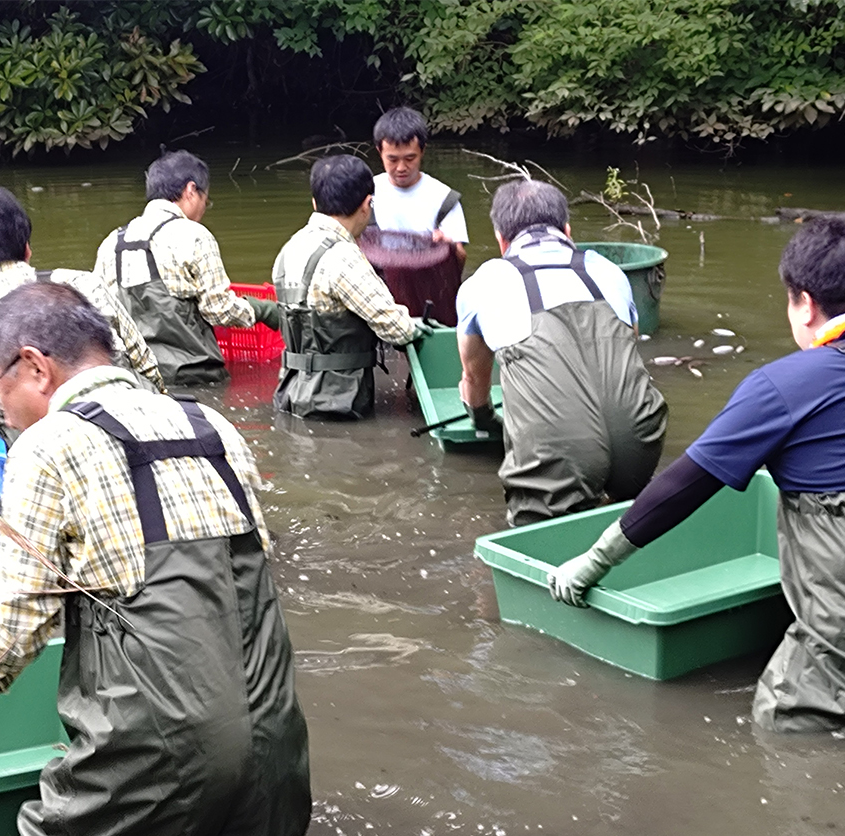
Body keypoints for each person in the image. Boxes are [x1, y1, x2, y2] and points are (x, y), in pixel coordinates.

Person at [0, 281, 311, 836]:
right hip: (277, 746)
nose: (0, 411)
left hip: (161, 758)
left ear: (35, 366)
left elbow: (12, 636)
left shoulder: (49, 446)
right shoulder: (214, 426)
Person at [550, 215, 845, 738]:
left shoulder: (789, 382)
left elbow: (685, 486)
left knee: (781, 752)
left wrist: (592, 564)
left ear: (804, 301)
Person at [457, 179, 667, 526]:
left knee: (539, 541)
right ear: (567, 231)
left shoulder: (483, 282)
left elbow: (474, 377)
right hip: (642, 439)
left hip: (558, 451)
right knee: (620, 527)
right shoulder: (608, 271)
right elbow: (628, 349)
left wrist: (482, 419)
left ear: (501, 240)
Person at [0, 185, 163, 458]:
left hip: (48, 464)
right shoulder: (85, 285)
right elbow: (147, 368)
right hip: (147, 436)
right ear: (27, 249)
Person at [95, 150, 281, 385]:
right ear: (191, 190)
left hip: (134, 379)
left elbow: (102, 316)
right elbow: (218, 310)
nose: (204, 208)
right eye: (206, 200)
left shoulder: (112, 243)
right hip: (193, 378)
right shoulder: (193, 234)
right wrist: (264, 311)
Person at [272, 154, 434, 419]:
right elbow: (397, 329)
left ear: (315, 202)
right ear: (367, 204)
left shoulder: (289, 249)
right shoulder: (344, 258)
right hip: (337, 402)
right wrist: (420, 326)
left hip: (291, 393)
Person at [368, 106, 468, 324]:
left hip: (427, 299)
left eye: (410, 158)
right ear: (379, 151)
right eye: (392, 159)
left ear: (422, 151)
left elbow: (460, 259)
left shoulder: (444, 198)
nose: (401, 167)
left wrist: (448, 247)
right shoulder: (366, 192)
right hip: (378, 301)